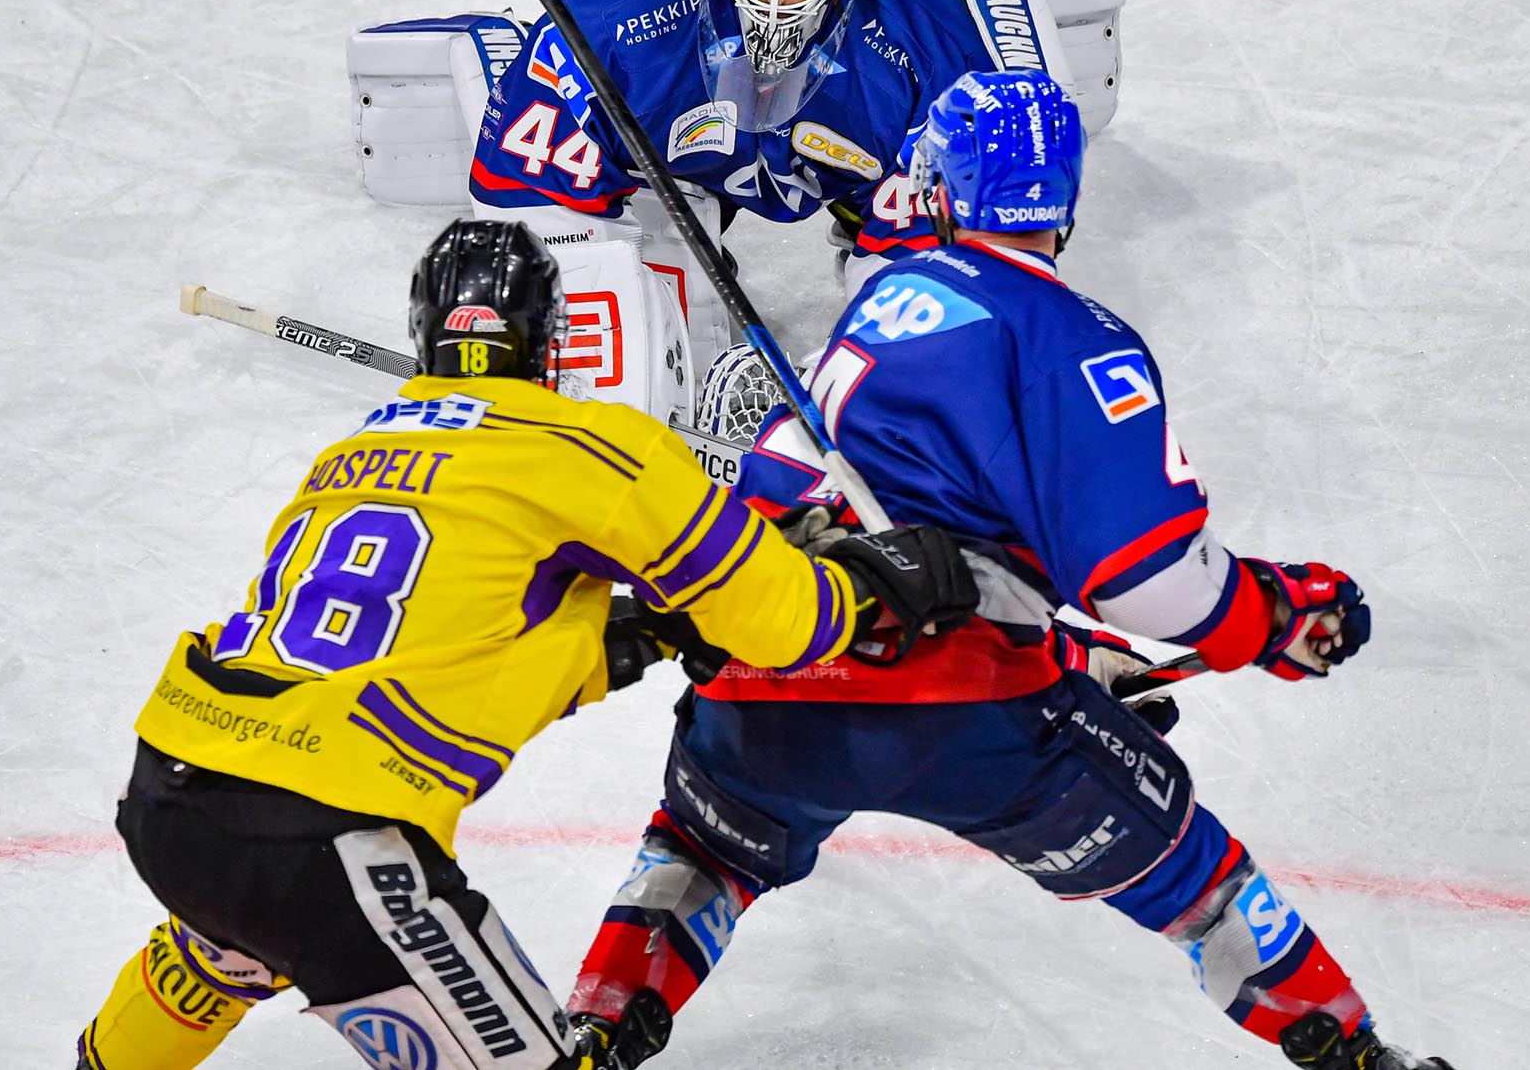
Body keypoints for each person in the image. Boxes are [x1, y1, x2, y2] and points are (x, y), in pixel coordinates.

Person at [562, 73, 1457, 1070]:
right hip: (968, 718)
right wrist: (1277, 615)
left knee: (704, 847)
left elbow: (819, 520)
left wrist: (1074, 654)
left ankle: (596, 1028)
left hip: (772, 670)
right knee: (1196, 883)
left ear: (941, 188)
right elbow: (1151, 579)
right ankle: (1356, 1056)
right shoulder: (1077, 341)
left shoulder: (881, 302)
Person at [73, 218, 977, 1070]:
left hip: (177, 794)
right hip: (327, 840)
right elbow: (784, 623)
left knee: (214, 958)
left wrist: (643, 632)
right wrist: (872, 581)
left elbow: (445, 641)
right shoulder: (595, 446)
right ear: (550, 343)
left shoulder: (346, 458)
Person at [351, 0, 1124, 433]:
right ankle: (661, 175)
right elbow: (518, 190)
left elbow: (963, 257)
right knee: (655, 278)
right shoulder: (620, 14)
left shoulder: (922, 40)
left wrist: (881, 355)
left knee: (948, 274)